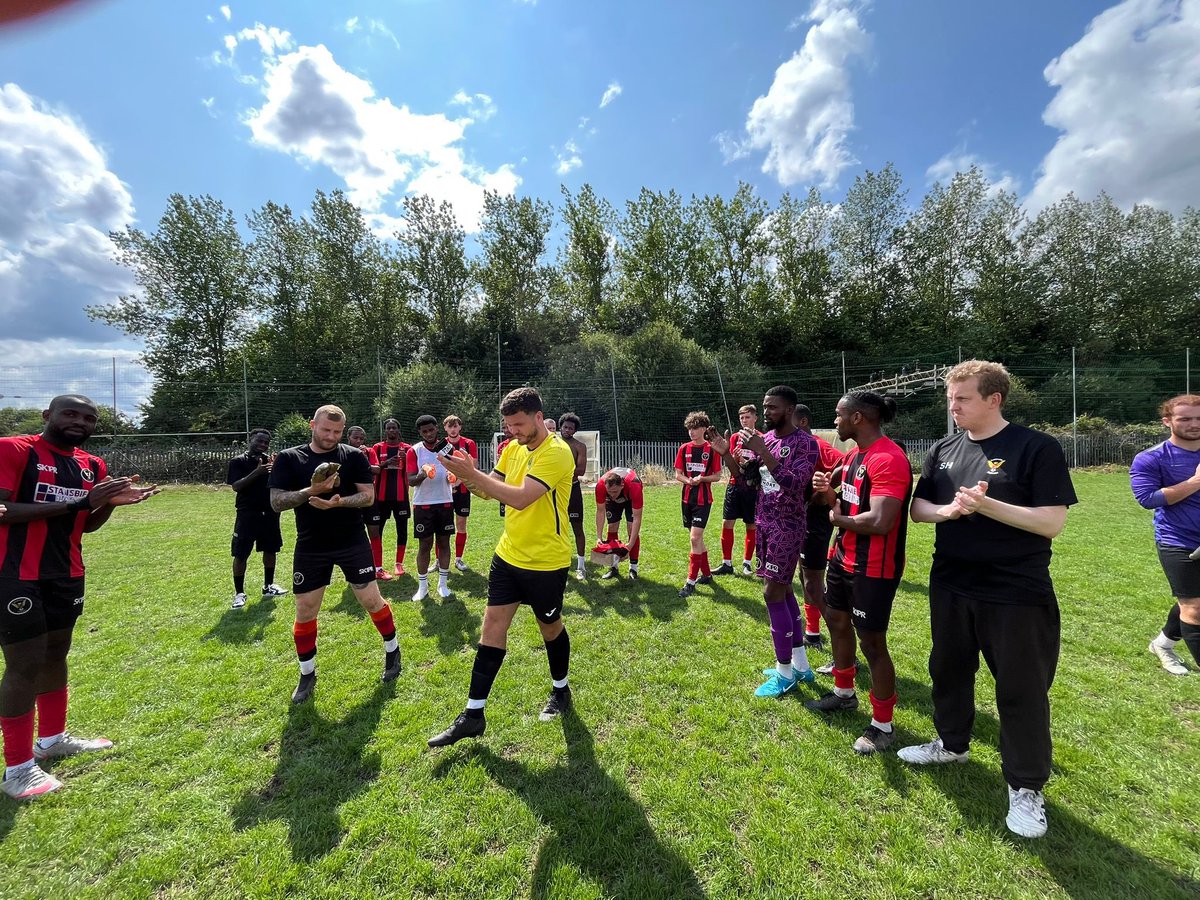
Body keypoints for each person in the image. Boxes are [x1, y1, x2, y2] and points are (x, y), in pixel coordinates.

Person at [897, 360, 1076, 839]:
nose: (953, 407)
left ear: (994, 399)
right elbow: (918, 509)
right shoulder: (943, 448)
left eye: (963, 399)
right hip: (951, 582)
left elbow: (1051, 522)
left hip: (1015, 590)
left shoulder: (1036, 447)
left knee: (1021, 688)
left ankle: (1026, 787)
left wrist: (988, 505)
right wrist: (950, 510)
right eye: (950, 399)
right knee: (948, 669)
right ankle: (951, 743)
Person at [0, 394, 158, 800]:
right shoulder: (15, 449)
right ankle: (17, 769)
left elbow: (86, 523)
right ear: (47, 415)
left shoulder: (92, 466)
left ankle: (52, 739)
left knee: (55, 655)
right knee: (24, 665)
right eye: (70, 413)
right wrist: (83, 501)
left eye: (88, 417)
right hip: (15, 575)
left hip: (67, 573)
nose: (80, 421)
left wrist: (107, 504)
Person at [428, 387, 578, 747]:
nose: (513, 432)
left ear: (539, 417)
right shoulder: (512, 448)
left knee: (550, 627)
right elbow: (490, 489)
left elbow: (522, 498)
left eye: (520, 424)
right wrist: (463, 474)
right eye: (509, 425)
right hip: (508, 555)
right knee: (492, 627)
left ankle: (561, 690)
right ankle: (473, 715)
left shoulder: (557, 452)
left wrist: (473, 475)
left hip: (545, 562)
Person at [805, 392, 912, 756]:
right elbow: (833, 497)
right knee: (835, 619)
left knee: (872, 644)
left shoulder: (890, 459)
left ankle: (882, 725)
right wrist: (825, 491)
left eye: (838, 415)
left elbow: (881, 521)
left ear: (858, 418)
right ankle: (843, 693)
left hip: (874, 568)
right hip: (843, 558)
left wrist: (838, 518)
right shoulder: (852, 456)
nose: (834, 421)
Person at [270, 405, 400, 703]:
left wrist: (338, 502)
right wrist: (310, 492)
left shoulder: (353, 456)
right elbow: (276, 502)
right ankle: (307, 674)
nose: (331, 437)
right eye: (326, 430)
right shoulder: (291, 458)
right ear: (312, 425)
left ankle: (392, 651)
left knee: (370, 600)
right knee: (305, 609)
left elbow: (367, 496)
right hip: (311, 544)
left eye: (337, 432)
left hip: (352, 541)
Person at [710, 386, 820, 698]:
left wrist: (764, 450)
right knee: (783, 590)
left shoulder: (805, 443)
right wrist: (725, 455)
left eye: (772, 407)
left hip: (788, 525)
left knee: (772, 593)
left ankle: (784, 673)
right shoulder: (767, 440)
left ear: (789, 410)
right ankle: (800, 665)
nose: (767, 412)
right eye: (765, 406)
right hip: (765, 522)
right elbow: (747, 481)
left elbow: (795, 484)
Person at [1131, 394, 1200, 675]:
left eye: (1199, 418)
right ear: (1167, 421)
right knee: (1194, 607)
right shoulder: (1151, 458)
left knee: (1191, 599)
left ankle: (1162, 644)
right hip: (1178, 541)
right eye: (1185, 418)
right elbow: (1148, 498)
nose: (1194, 424)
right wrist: (1195, 482)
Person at [794, 404, 844, 650]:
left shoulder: (819, 446)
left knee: (813, 581)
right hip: (797, 517)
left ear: (802, 422)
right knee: (804, 577)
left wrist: (824, 494)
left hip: (815, 518)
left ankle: (842, 641)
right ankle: (812, 633)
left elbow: (845, 467)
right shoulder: (792, 445)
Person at [226, 428, 288, 609]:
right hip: (247, 513)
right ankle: (239, 593)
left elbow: (280, 483)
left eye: (266, 442)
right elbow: (236, 486)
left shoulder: (270, 461)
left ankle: (268, 586)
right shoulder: (238, 461)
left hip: (269, 512)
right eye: (259, 441)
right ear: (250, 439)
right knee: (241, 553)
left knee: (271, 549)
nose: (262, 445)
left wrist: (277, 467)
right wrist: (257, 472)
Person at [407, 415, 455, 601]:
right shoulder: (415, 451)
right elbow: (411, 481)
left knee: (444, 543)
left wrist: (454, 476)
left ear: (437, 428)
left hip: (444, 502)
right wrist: (423, 473)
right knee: (425, 545)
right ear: (420, 432)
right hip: (423, 505)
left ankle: (443, 585)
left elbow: (457, 471)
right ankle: (423, 586)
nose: (428, 434)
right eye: (424, 431)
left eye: (431, 429)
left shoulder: (447, 447)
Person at [675, 411, 722, 598]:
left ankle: (690, 582)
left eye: (695, 428)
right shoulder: (683, 448)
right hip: (687, 499)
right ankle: (708, 574)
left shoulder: (711, 450)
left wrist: (702, 478)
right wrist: (688, 481)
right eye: (689, 429)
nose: (691, 432)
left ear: (704, 428)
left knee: (695, 539)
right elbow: (678, 473)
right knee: (697, 539)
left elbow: (718, 476)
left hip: (704, 500)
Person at [715, 404, 760, 577]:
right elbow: (731, 464)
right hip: (734, 485)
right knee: (727, 523)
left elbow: (761, 463)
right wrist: (733, 457)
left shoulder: (762, 437)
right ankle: (727, 563)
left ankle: (747, 563)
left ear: (755, 418)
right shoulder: (734, 437)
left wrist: (748, 460)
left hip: (752, 487)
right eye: (741, 418)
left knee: (751, 525)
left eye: (747, 417)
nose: (744, 420)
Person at [369, 419, 412, 580]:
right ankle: (377, 565)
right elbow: (373, 470)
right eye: (388, 428)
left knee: (402, 529)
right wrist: (385, 463)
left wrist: (406, 459)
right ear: (385, 430)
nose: (391, 430)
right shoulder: (377, 448)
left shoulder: (407, 449)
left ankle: (399, 563)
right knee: (377, 530)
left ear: (398, 430)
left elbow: (413, 469)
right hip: (381, 497)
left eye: (394, 427)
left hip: (401, 497)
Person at [595, 467, 644, 580]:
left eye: (615, 491)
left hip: (629, 497)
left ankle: (633, 568)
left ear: (622, 485)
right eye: (609, 492)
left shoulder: (634, 485)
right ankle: (613, 567)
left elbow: (637, 518)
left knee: (631, 529)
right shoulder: (601, 486)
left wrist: (629, 546)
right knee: (612, 526)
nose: (612, 495)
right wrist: (598, 537)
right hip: (615, 501)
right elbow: (600, 511)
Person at [443, 415, 478, 573]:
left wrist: (457, 482)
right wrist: (449, 481)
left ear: (460, 427)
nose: (453, 429)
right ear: (445, 428)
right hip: (444, 490)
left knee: (461, 524)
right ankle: (438, 560)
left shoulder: (469, 443)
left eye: (455, 426)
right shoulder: (442, 444)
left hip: (462, 490)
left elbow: (473, 468)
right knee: (442, 526)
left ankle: (458, 558)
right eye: (450, 426)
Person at [558, 413, 589, 581]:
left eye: (571, 428)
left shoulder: (579, 446)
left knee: (577, 527)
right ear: (560, 427)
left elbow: (581, 470)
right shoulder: (552, 444)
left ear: (575, 430)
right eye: (565, 427)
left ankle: (581, 566)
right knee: (554, 528)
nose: (567, 430)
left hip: (573, 490)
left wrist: (559, 474)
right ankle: (555, 564)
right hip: (554, 491)